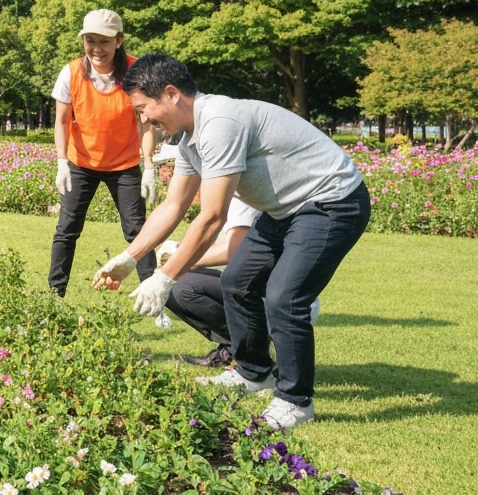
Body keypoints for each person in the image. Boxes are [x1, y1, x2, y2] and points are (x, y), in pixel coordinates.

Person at [92, 54, 369, 430]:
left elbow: (212, 217)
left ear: (171, 94)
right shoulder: (192, 141)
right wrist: (129, 257)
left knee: (286, 297)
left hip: (332, 202)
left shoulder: (220, 123)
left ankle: (295, 400)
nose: (144, 121)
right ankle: (255, 372)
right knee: (237, 281)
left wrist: (164, 277)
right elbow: (174, 205)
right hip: (286, 211)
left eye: (144, 109)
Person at [47, 9, 159, 296]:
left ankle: (154, 293)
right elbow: (61, 121)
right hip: (80, 162)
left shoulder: (137, 73)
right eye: (90, 41)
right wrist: (62, 161)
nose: (96, 49)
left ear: (119, 40)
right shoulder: (71, 72)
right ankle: (54, 295)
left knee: (138, 232)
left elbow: (146, 123)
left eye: (104, 42)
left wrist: (149, 166)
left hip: (124, 165)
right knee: (67, 229)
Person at [160, 196, 262, 367]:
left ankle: (255, 345)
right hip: (238, 281)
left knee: (181, 288)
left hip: (266, 292)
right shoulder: (226, 198)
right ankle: (233, 347)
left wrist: (181, 261)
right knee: (170, 283)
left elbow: (233, 250)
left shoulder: (243, 198)